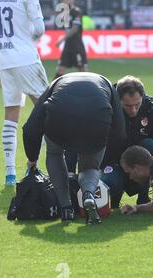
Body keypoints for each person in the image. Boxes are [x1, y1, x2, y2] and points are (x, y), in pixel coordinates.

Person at [23, 72, 126, 224]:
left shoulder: (56, 83)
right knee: (90, 166)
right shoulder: (108, 84)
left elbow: (31, 127)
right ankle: (88, 195)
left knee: (55, 154)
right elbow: (120, 129)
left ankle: (66, 208)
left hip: (60, 117)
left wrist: (32, 158)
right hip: (97, 119)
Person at [0, 0, 49, 186]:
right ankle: (44, 166)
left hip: (5, 60)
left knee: (11, 114)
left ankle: (10, 174)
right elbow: (39, 29)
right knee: (49, 109)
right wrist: (24, 35)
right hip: (26, 58)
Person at [99, 75, 153, 208]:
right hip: (113, 163)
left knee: (149, 144)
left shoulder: (152, 111)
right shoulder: (107, 111)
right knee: (111, 182)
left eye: (137, 104)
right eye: (128, 106)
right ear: (118, 101)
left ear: (143, 97)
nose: (133, 110)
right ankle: (114, 201)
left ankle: (143, 198)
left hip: (140, 167)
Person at [54, 0, 88, 79]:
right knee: (60, 69)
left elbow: (75, 28)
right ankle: (54, 89)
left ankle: (87, 87)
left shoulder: (76, 11)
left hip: (77, 46)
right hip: (68, 46)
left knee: (82, 71)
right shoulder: (65, 13)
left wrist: (62, 39)